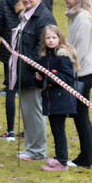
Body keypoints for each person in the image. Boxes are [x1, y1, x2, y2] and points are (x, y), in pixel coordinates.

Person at [11, 0, 56, 161]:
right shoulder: (26, 15)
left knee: (34, 111)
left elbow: (43, 46)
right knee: (27, 111)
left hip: (33, 73)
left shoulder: (44, 17)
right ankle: (30, 147)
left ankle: (37, 150)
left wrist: (29, 64)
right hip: (23, 71)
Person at [63, 0, 92, 168]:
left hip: (82, 75)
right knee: (80, 116)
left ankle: (87, 158)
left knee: (81, 117)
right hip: (81, 73)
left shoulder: (83, 19)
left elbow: (79, 51)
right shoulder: (78, 17)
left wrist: (66, 71)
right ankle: (88, 157)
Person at [0, 0, 34, 140]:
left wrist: (5, 32)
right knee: (26, 90)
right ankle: (27, 128)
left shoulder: (4, 0)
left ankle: (10, 130)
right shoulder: (35, 1)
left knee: (11, 88)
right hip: (27, 50)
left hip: (11, 50)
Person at [37, 24, 77, 171]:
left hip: (61, 99)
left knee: (59, 130)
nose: (51, 40)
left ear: (59, 38)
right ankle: (59, 157)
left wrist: (50, 76)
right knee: (55, 129)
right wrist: (40, 77)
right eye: (48, 37)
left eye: (54, 37)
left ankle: (62, 162)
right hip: (50, 99)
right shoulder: (45, 56)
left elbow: (68, 78)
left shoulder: (63, 56)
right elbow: (43, 77)